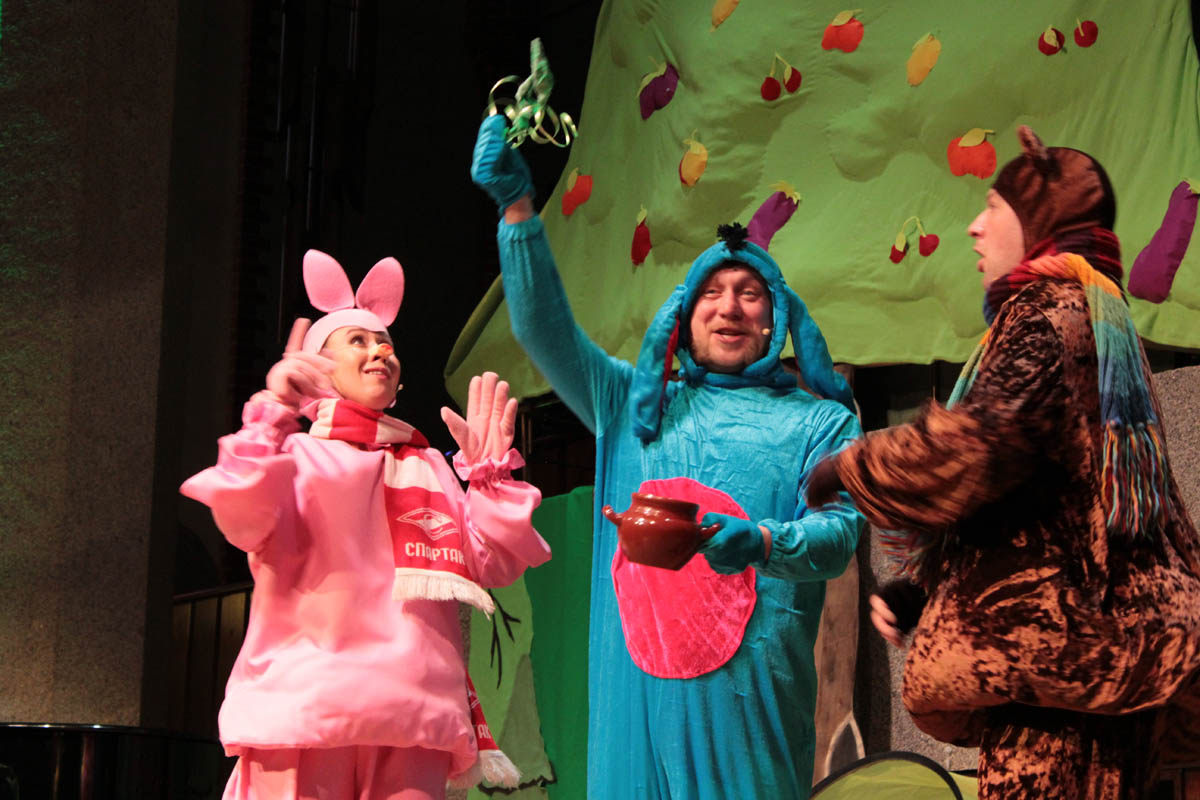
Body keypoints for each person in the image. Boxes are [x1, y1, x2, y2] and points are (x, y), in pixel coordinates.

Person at [470, 113, 866, 799]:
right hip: (635, 716)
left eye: (750, 294)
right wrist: (517, 212)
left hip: (751, 722)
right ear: (685, 314)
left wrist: (764, 542)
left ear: (777, 318)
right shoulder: (631, 405)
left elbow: (840, 536)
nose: (730, 308)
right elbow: (541, 327)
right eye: (712, 292)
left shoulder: (821, 423)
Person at [807, 126, 1200, 799]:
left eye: (993, 207)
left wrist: (852, 465)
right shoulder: (1095, 324)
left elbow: (977, 447)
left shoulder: (1049, 316)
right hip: (1085, 666)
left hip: (1057, 670)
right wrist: (926, 593)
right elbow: (1046, 501)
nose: (974, 226)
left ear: (1042, 224)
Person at [181, 249, 551, 800]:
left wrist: (490, 480)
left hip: (413, 712)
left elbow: (491, 564)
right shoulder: (295, 455)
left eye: (387, 344)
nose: (380, 350)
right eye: (358, 340)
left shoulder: (427, 464)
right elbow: (241, 515)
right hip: (307, 705)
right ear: (319, 368)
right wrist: (272, 413)